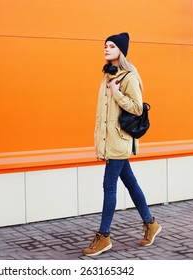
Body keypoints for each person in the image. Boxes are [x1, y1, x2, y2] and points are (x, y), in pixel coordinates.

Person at [83, 32, 162, 256]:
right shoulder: (107, 75)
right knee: (130, 182)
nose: (106, 49)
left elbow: (138, 108)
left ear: (121, 50)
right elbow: (103, 114)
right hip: (111, 140)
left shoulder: (129, 77)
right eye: (105, 46)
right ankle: (151, 223)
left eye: (111, 46)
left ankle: (104, 236)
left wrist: (117, 94)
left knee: (109, 186)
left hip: (120, 141)